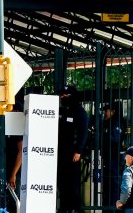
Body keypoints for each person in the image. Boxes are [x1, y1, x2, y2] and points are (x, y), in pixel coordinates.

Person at [56, 85, 88, 213]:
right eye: (62, 95)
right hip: (60, 153)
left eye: (66, 95)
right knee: (61, 182)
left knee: (72, 183)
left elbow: (83, 132)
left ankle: (74, 208)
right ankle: (64, 208)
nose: (63, 97)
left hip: (73, 154)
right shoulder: (61, 110)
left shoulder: (79, 112)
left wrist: (78, 151)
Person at [100, 104, 125, 206]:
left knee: (114, 183)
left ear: (113, 111)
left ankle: (113, 207)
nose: (104, 113)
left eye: (106, 111)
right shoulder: (107, 123)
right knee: (107, 183)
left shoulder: (117, 123)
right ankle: (107, 206)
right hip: (108, 157)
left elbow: (115, 139)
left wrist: (103, 137)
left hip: (114, 157)